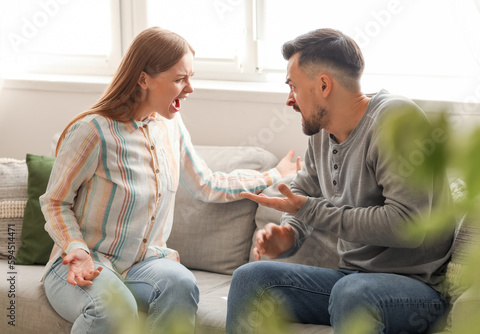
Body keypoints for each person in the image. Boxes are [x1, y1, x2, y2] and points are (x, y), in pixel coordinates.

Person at [40, 27, 300, 334]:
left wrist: (273, 175)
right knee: (114, 307)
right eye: (180, 79)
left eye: (190, 77)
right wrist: (77, 250)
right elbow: (55, 202)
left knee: (180, 282)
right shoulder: (92, 131)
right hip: (82, 263)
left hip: (142, 265)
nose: (190, 88)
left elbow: (208, 183)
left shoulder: (170, 127)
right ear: (143, 79)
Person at [226, 28, 454, 334]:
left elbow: (406, 224)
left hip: (414, 291)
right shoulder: (322, 133)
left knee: (354, 293)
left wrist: (308, 210)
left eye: (293, 87)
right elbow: (303, 189)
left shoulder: (396, 122)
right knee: (250, 279)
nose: (288, 100)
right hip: (350, 281)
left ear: (323, 85)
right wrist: (289, 234)